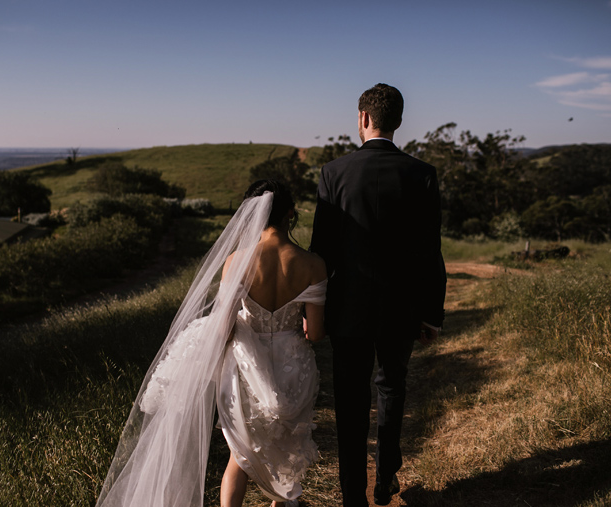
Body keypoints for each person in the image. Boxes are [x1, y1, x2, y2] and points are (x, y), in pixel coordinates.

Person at [96, 179, 327, 507]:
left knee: (241, 457)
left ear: (252, 214)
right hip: (294, 369)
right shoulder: (314, 265)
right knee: (285, 455)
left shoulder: (237, 261)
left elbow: (223, 329)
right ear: (291, 212)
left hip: (247, 369)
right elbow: (316, 333)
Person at [310, 83, 446, 507]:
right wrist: (431, 313)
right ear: (398, 122)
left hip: (348, 309)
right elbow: (429, 251)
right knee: (392, 389)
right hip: (401, 309)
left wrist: (313, 309)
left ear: (363, 118)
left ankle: (353, 496)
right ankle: (386, 477)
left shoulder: (334, 173)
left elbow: (321, 254)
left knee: (350, 401)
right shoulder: (422, 174)